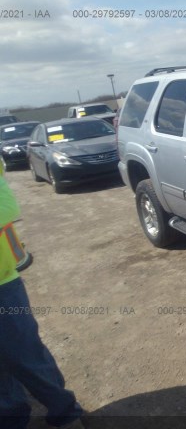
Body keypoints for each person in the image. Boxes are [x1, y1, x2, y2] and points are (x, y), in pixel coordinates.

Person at [0, 167, 84, 429]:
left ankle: (65, 412)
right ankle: (11, 417)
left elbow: (6, 208)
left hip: (2, 282)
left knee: (24, 353)